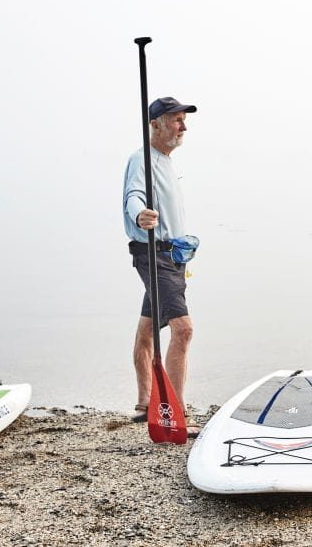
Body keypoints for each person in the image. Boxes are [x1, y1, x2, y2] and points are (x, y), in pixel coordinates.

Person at [123, 96, 197, 424]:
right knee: (183, 330)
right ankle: (175, 412)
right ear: (155, 125)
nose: (183, 127)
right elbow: (134, 195)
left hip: (173, 256)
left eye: (184, 121)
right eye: (177, 120)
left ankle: (144, 404)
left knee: (147, 330)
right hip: (155, 256)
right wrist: (140, 214)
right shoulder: (142, 159)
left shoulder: (165, 161)